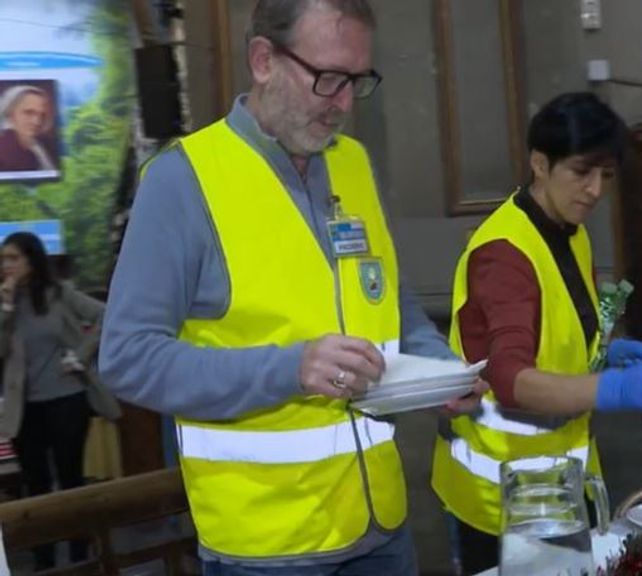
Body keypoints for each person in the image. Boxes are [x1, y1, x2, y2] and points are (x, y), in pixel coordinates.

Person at [99, 1, 483, 574]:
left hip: (381, 526)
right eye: (328, 79)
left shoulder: (352, 163)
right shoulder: (184, 180)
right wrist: (290, 369)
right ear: (263, 61)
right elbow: (127, 358)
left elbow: (390, 306)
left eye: (358, 81)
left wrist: (441, 374)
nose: (345, 104)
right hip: (267, 545)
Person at [430, 92, 642, 573]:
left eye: (607, 177)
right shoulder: (504, 252)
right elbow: (511, 378)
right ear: (540, 163)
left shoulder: (571, 232)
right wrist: (613, 388)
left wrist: (607, 353)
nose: (596, 190)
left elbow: (556, 333)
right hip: (500, 499)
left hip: (560, 487)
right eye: (582, 172)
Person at [0, 232, 104, 570]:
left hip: (66, 399)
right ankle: (44, 559)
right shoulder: (4, 302)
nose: (6, 266)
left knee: (70, 478)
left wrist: (81, 355)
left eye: (13, 258)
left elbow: (107, 315)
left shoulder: (59, 294)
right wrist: (5, 308)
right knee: (36, 483)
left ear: (32, 260)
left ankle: (80, 555)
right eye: (3, 259)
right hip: (25, 407)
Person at [0, 85, 58, 173]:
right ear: (10, 114)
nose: (37, 122)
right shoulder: (3, 150)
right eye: (28, 112)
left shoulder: (45, 145)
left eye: (41, 115)